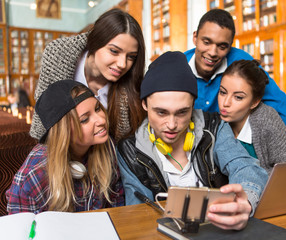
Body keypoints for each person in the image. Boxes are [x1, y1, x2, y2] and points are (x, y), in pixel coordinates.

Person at [117, 52, 268, 230]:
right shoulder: (129, 151)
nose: (172, 125)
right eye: (161, 112)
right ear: (144, 105)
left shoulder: (214, 127)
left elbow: (245, 166)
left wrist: (245, 203)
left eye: (182, 112)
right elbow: (138, 216)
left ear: (193, 105)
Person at [184, 9, 286, 158]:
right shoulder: (177, 68)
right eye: (206, 42)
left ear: (230, 46)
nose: (212, 52)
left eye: (222, 46)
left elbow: (278, 102)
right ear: (195, 37)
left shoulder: (240, 62)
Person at [6, 80, 124, 214]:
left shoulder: (109, 148)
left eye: (97, 108)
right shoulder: (33, 176)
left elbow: (117, 208)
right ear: (64, 132)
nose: (102, 120)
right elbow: (20, 231)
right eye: (85, 119)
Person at [30, 8, 146, 144]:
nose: (122, 64)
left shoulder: (131, 81)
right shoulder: (58, 55)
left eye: (131, 57)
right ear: (95, 43)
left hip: (106, 155)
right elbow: (45, 114)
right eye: (114, 51)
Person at [218, 60, 286, 174]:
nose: (225, 103)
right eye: (223, 92)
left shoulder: (266, 118)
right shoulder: (214, 123)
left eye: (238, 97)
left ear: (254, 102)